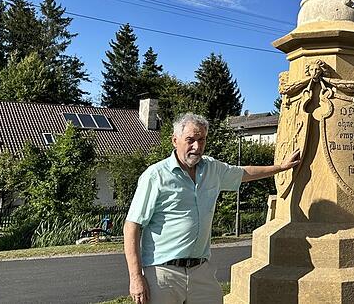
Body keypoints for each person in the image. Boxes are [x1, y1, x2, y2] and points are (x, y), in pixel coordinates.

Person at [123, 112, 300, 304]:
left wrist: (281, 167)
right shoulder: (155, 176)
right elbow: (132, 226)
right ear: (175, 140)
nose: (197, 147)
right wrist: (135, 278)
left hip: (201, 272)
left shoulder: (212, 168)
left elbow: (245, 173)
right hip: (162, 274)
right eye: (190, 140)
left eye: (202, 140)